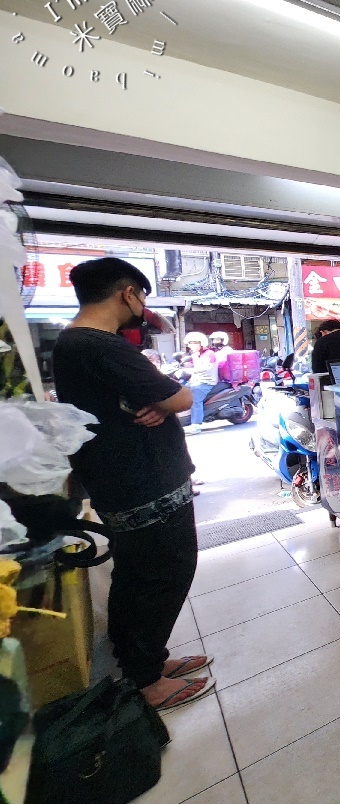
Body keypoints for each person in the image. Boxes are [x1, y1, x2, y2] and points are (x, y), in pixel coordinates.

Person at [51, 257, 214, 712]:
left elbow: (161, 399)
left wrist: (159, 404)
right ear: (129, 294)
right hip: (143, 485)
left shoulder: (75, 344)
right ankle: (146, 678)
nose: (141, 308)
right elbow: (180, 396)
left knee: (141, 575)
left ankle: (149, 661)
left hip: (132, 480)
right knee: (161, 575)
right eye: (140, 297)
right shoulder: (99, 345)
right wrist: (165, 402)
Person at [182, 331, 218, 434]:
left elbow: (206, 368)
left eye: (192, 343)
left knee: (195, 399)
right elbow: (190, 364)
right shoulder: (196, 354)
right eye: (189, 343)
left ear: (200, 343)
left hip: (206, 382)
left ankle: (196, 425)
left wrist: (191, 370)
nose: (190, 346)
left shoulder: (209, 354)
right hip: (196, 380)